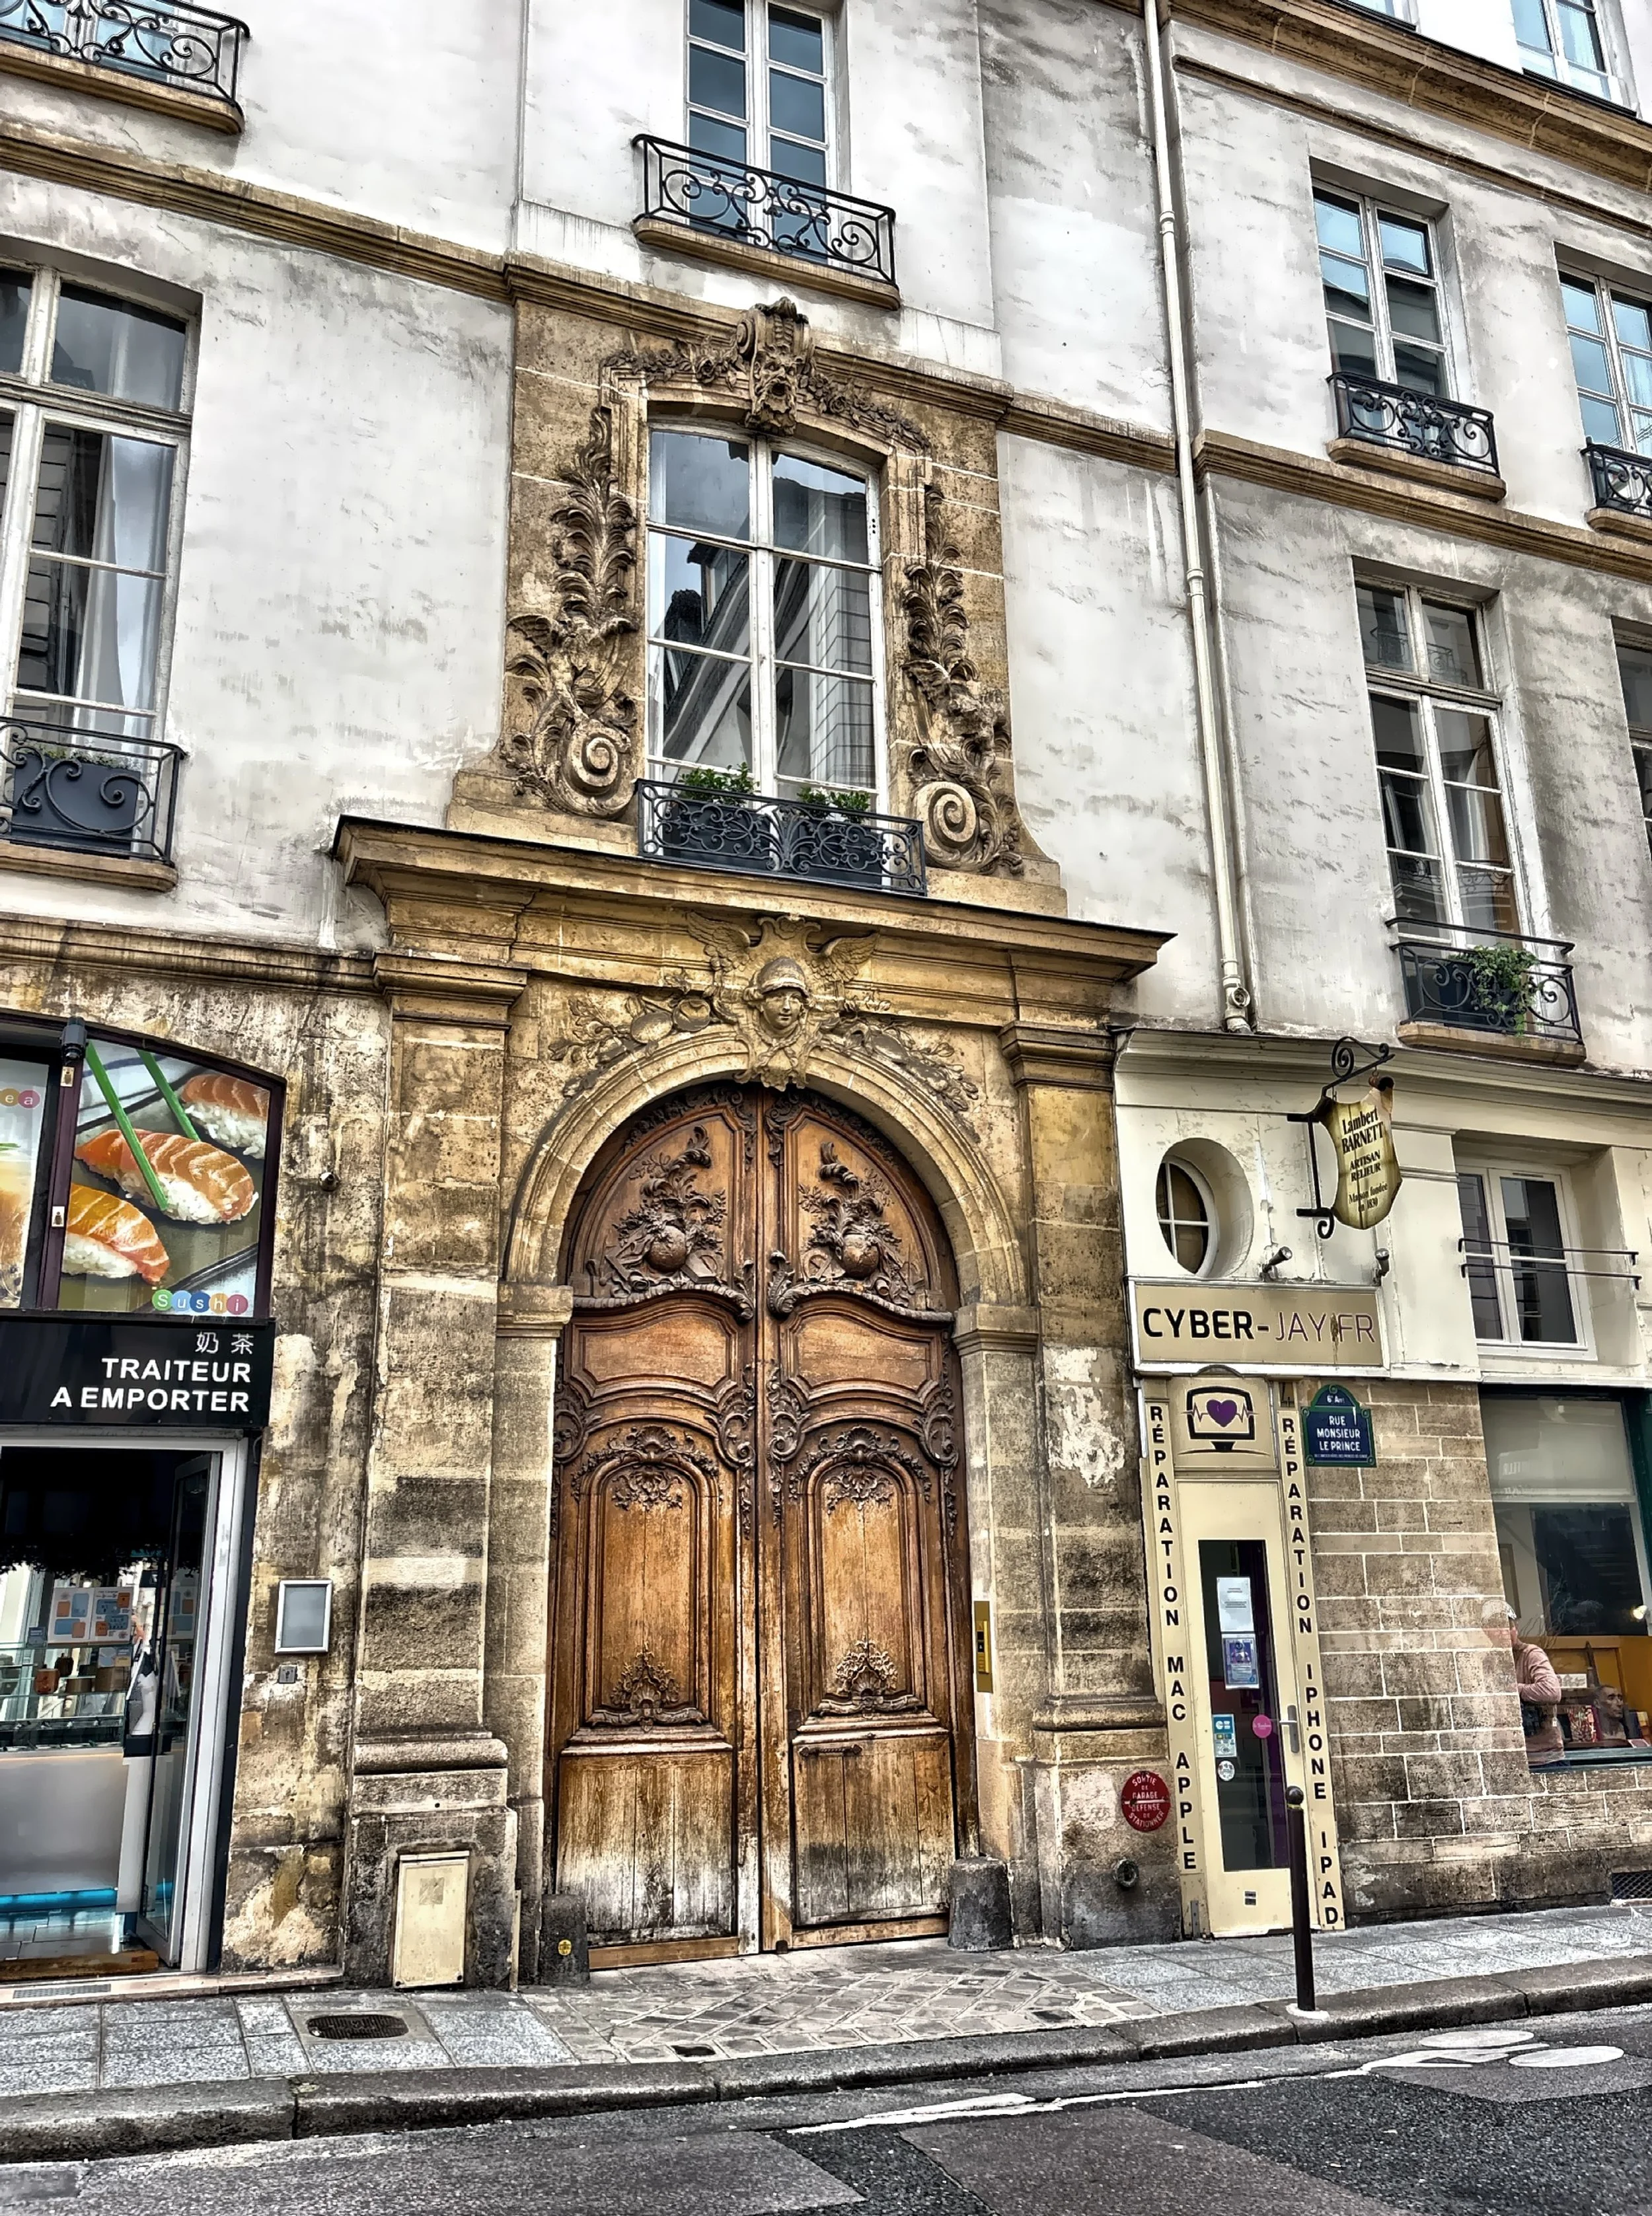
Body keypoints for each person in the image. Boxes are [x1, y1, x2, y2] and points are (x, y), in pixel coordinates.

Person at [1511, 1611, 1564, 1767]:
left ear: (1516, 1629)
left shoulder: (1531, 1654)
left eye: (1510, 1627)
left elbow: (1551, 1692)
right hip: (1512, 1757)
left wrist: (1514, 1690)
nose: (1506, 1632)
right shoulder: (1488, 1660)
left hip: (1544, 1757)